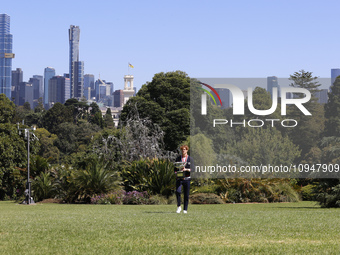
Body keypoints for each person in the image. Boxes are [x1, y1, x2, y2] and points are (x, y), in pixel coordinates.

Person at [174, 145, 193, 214]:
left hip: (187, 179)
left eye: (184, 149)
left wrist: (186, 169)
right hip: (179, 179)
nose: (183, 151)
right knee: (178, 191)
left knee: (186, 194)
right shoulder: (178, 158)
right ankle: (179, 206)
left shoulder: (190, 159)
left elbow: (193, 169)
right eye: (182, 150)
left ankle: (185, 209)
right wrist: (176, 174)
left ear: (187, 150)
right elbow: (175, 169)